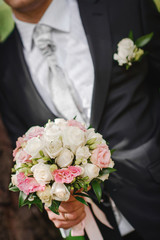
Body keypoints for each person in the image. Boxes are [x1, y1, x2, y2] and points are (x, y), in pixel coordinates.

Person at [0, 0, 160, 239]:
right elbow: (25, 156)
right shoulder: (4, 63)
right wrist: (58, 203)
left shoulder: (124, 6)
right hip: (95, 228)